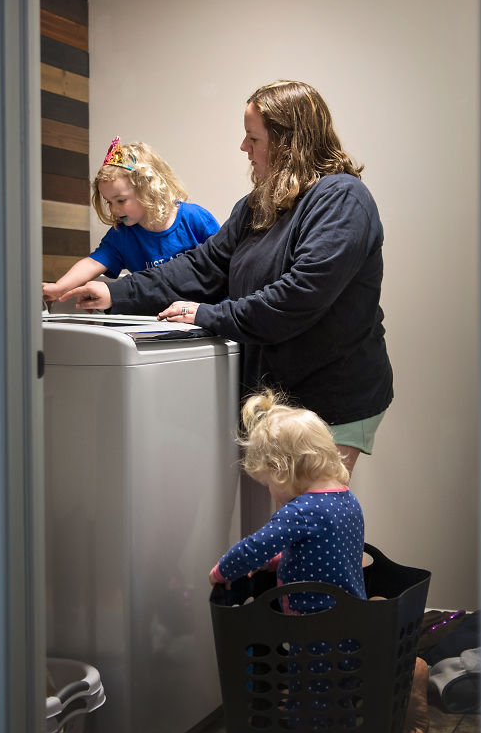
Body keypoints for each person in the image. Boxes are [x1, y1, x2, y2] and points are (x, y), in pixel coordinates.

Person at [59, 81, 393, 477]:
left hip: (330, 398)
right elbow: (202, 266)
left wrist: (208, 314)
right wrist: (115, 292)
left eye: (254, 138)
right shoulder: (257, 205)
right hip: (275, 396)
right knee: (280, 512)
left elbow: (298, 297)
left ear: (289, 142)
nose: (243, 147)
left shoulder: (342, 199)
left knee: (311, 511)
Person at [208, 390, 366, 612]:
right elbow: (321, 553)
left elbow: (254, 548)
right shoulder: (348, 500)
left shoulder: (300, 511)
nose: (271, 491)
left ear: (280, 470)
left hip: (311, 623)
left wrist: (222, 571)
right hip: (350, 616)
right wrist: (275, 561)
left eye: (268, 484)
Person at [42, 137, 219, 303]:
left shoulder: (194, 218)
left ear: (148, 189)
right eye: (109, 202)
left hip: (206, 311)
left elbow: (225, 258)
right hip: (158, 316)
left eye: (121, 200)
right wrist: (59, 288)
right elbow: (93, 263)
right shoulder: (122, 235)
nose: (113, 209)